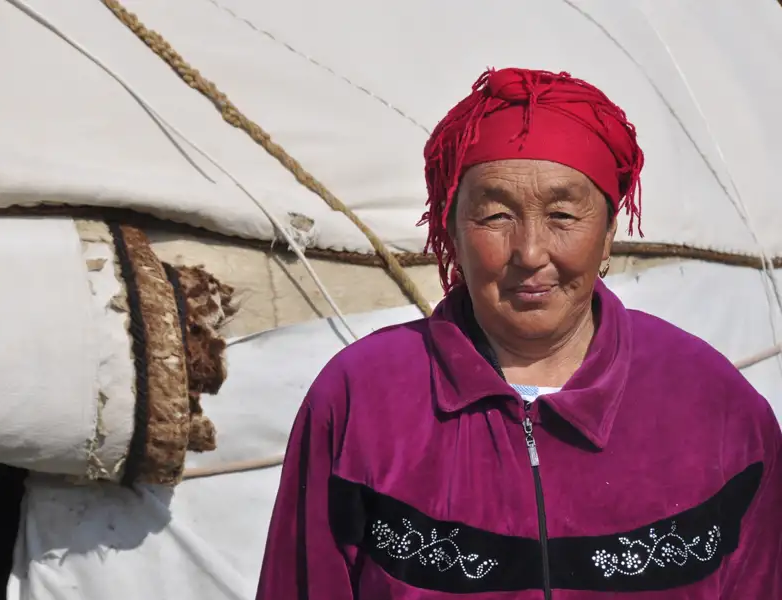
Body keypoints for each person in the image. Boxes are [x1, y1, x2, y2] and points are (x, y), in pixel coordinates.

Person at [255, 68, 781, 599]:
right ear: (451, 232)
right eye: (496, 215)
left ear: (607, 234)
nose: (530, 253)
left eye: (562, 214)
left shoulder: (712, 405)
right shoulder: (361, 400)